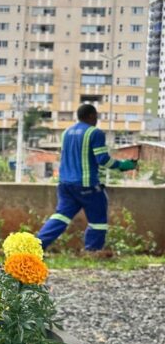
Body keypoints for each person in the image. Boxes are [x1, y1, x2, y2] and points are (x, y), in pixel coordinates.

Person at [37, 104, 137, 251]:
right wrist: (124, 165)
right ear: (91, 116)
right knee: (98, 220)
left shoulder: (67, 132)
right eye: (96, 116)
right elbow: (102, 159)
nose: (96, 120)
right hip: (86, 185)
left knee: (61, 216)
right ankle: (92, 251)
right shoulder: (94, 133)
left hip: (65, 184)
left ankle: (37, 245)